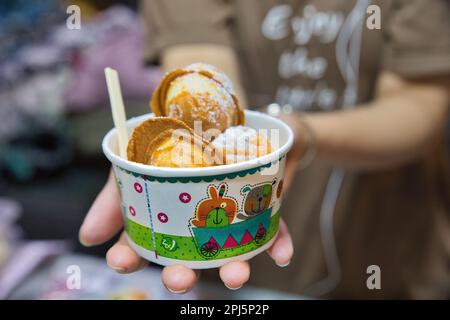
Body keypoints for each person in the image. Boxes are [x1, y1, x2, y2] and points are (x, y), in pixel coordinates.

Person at [79, 0, 450, 298]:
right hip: (239, 245)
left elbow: (419, 104)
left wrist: (303, 133)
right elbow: (200, 81)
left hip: (380, 237)